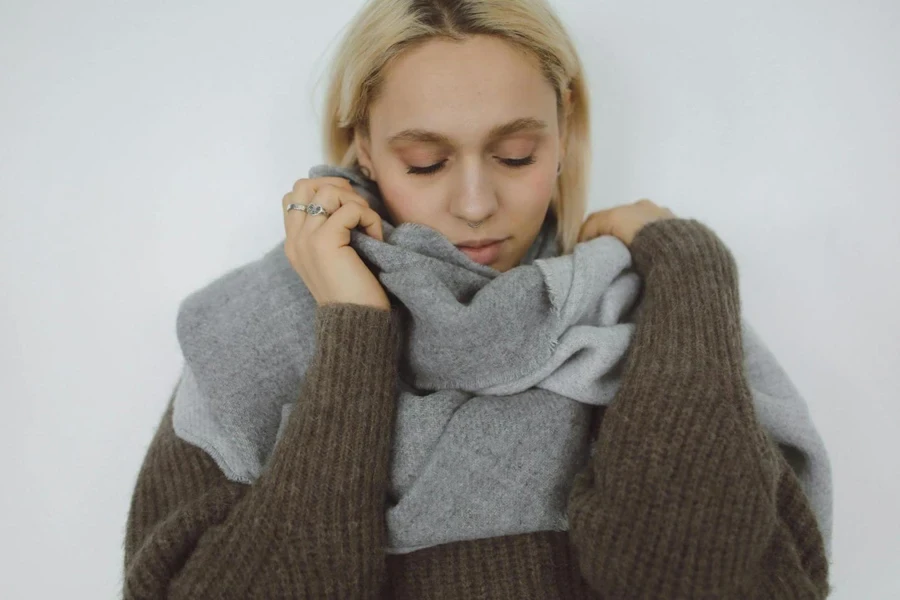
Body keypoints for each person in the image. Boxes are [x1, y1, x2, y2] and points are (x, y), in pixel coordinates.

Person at [122, 0, 831, 598]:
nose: (474, 203)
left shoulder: (653, 313)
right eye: (425, 162)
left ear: (562, 134)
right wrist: (353, 334)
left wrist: (689, 267)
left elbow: (699, 580)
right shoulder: (251, 331)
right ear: (362, 149)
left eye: (516, 154)